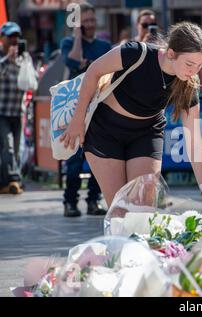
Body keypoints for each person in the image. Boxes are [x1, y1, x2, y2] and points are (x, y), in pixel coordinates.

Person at [60, 22, 202, 208]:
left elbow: (194, 141)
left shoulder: (189, 84)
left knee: (142, 208)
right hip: (105, 130)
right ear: (171, 53)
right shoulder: (137, 52)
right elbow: (94, 71)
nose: (194, 71)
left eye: (199, 65)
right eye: (189, 64)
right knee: (120, 209)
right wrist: (77, 119)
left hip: (146, 133)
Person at [60, 2, 111, 217]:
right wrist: (78, 36)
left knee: (98, 157)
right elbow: (72, 61)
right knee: (74, 158)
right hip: (74, 108)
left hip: (98, 107)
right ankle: (70, 202)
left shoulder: (104, 46)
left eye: (92, 20)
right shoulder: (69, 42)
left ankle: (94, 200)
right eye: (85, 21)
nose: (90, 24)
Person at [0, 22, 25, 195]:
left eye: (16, 36)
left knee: (16, 150)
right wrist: (6, 60)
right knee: (7, 147)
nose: (14, 40)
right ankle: (14, 180)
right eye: (10, 37)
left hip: (17, 111)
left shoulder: (23, 58)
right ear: (2, 39)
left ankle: (5, 183)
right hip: (1, 111)